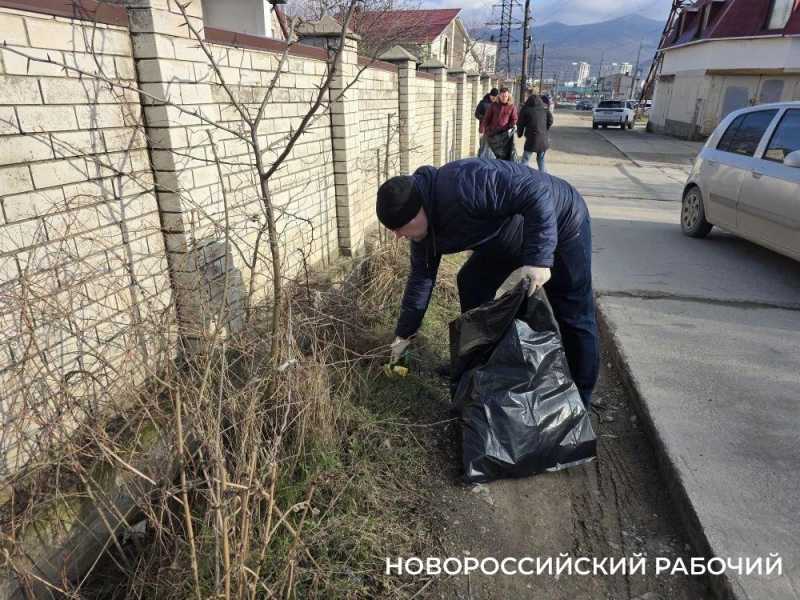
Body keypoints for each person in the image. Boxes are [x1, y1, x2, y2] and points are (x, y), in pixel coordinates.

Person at [377, 158, 599, 407]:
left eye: (400, 227)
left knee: (573, 313)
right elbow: (421, 280)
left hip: (561, 219)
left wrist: (539, 258)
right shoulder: (422, 233)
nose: (398, 236)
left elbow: (536, 193)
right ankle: (477, 365)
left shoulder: (466, 183)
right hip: (508, 234)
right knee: (472, 283)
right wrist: (404, 335)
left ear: (419, 210)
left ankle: (582, 398)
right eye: (393, 230)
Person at [517, 93, 553, 172]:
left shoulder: (525, 110)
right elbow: (550, 120)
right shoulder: (544, 109)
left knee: (525, 160)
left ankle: (522, 176)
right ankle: (544, 177)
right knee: (541, 160)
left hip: (532, 139)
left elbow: (520, 123)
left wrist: (519, 134)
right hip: (544, 140)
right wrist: (545, 129)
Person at [480, 87, 518, 161]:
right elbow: (486, 118)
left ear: (508, 96)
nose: (504, 98)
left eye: (506, 96)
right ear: (499, 96)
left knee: (504, 157)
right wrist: (483, 129)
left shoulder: (512, 107)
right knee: (490, 157)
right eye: (502, 96)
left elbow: (514, 119)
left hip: (505, 136)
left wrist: (511, 126)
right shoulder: (494, 105)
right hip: (492, 134)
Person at [475, 88, 498, 155]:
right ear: (490, 95)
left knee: (491, 149)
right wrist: (485, 118)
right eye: (493, 96)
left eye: (495, 97)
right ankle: (480, 162)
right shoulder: (483, 103)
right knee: (483, 147)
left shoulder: (497, 104)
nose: (494, 98)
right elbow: (476, 114)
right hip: (484, 129)